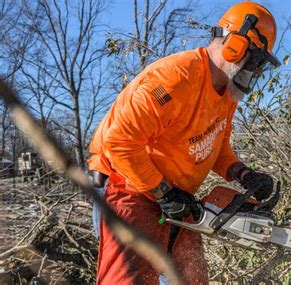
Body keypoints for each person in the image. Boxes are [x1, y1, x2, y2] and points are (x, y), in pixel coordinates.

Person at [88, 2, 281, 284]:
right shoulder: (175, 78)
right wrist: (162, 192)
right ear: (236, 46)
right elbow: (119, 141)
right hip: (128, 184)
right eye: (256, 62)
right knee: (131, 279)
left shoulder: (226, 93)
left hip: (176, 196)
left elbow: (215, 146)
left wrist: (242, 173)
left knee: (192, 277)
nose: (255, 71)